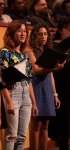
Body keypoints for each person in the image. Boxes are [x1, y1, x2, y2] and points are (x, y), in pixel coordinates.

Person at [0, 20, 37, 150]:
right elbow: (1, 80)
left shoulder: (24, 55)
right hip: (13, 92)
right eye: (19, 30)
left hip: (26, 93)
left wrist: (33, 102)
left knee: (22, 137)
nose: (23, 33)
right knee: (12, 136)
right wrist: (9, 102)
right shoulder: (4, 52)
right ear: (12, 32)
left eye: (25, 31)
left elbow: (29, 81)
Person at [25, 24, 65, 150]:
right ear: (35, 36)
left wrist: (55, 94)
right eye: (40, 34)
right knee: (36, 124)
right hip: (36, 85)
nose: (43, 37)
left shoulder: (48, 51)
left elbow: (51, 75)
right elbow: (36, 70)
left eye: (45, 34)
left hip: (47, 86)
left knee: (45, 124)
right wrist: (54, 68)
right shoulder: (29, 50)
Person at [48, 19, 70, 150]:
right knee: (61, 118)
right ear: (61, 29)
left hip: (68, 85)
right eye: (68, 27)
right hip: (59, 85)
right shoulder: (55, 45)